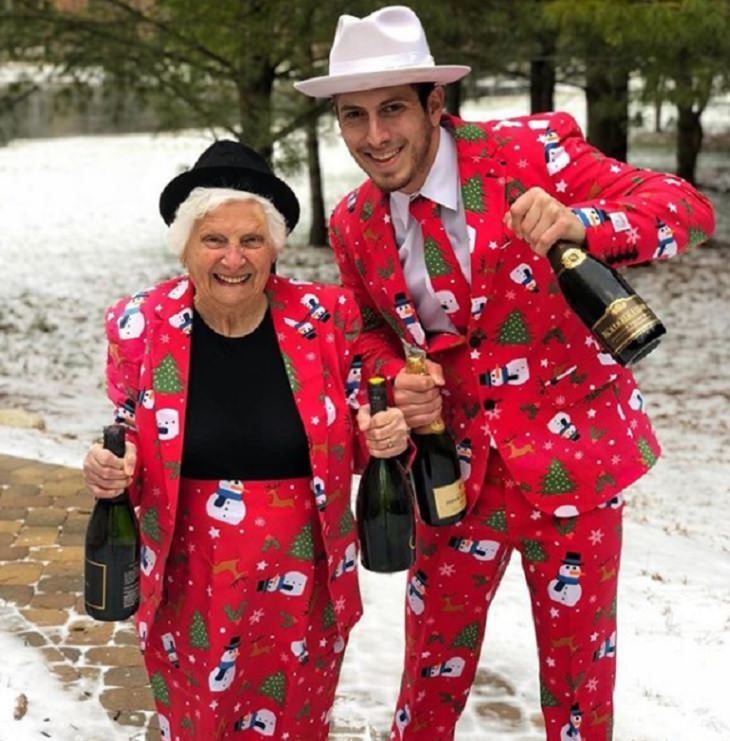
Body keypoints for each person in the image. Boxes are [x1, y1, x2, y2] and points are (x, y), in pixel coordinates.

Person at [296, 5, 715, 740]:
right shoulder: (354, 222)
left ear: (435, 104)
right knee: (429, 671)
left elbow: (685, 209)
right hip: (452, 472)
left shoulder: (536, 153)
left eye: (393, 109)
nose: (375, 137)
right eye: (353, 116)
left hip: (572, 462)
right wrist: (394, 374)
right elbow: (365, 332)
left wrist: (586, 225)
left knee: (580, 684)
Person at [82, 140, 409, 740]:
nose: (233, 258)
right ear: (185, 248)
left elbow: (362, 435)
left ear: (274, 249)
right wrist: (108, 468)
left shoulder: (327, 318)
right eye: (214, 240)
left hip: (303, 581)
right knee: (199, 726)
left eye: (251, 240)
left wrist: (385, 437)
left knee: (298, 724)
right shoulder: (138, 325)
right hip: (188, 579)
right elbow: (125, 433)